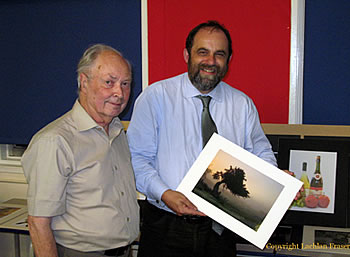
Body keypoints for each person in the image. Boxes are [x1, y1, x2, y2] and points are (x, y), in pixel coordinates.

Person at [127, 20, 277, 257]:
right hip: (166, 226)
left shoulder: (242, 105)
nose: (211, 61)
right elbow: (136, 159)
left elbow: (261, 152)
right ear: (187, 54)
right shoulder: (155, 97)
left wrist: (275, 181)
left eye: (220, 54)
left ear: (228, 59)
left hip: (221, 230)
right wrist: (165, 194)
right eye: (202, 52)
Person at [21, 44, 139, 257]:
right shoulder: (55, 141)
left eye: (125, 84)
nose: (119, 93)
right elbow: (38, 223)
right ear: (84, 82)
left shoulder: (116, 131)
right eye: (109, 82)